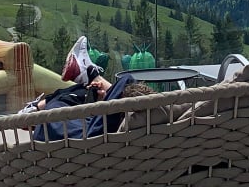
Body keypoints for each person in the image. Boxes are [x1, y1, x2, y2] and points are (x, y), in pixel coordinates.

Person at [22, 35, 155, 140]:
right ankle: (87, 75)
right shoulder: (156, 129)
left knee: (81, 93)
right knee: (88, 92)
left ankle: (89, 75)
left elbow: (126, 82)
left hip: (71, 137)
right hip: (85, 137)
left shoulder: (96, 132)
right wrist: (103, 102)